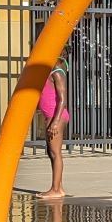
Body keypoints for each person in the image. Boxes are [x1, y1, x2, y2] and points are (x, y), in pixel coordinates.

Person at [37, 61, 70, 201]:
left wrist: (55, 122)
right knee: (51, 153)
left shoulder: (57, 70)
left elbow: (63, 99)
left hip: (56, 116)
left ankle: (55, 189)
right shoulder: (47, 70)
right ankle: (59, 188)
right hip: (51, 116)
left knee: (56, 153)